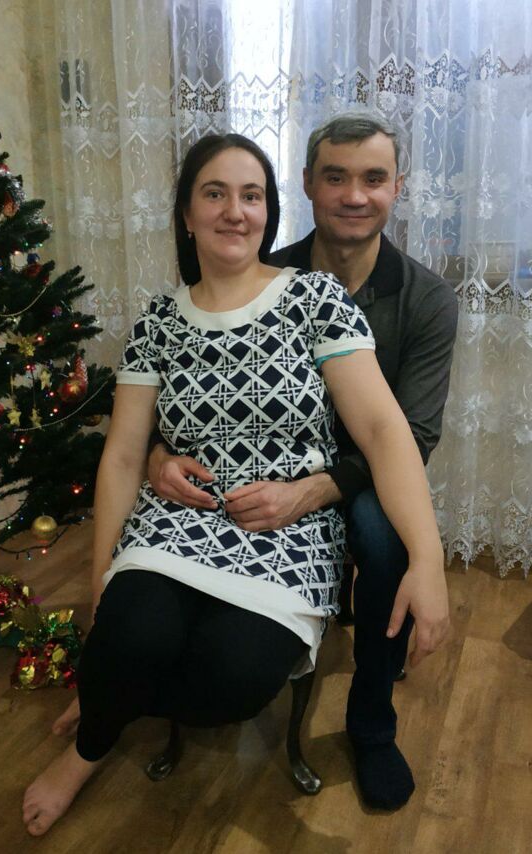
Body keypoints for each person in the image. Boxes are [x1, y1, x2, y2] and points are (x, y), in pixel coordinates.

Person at [23, 131, 448, 836]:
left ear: (269, 212)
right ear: (187, 214)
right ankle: (90, 744)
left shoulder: (315, 299)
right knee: (127, 636)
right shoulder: (158, 321)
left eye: (251, 195)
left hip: (287, 531)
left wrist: (427, 560)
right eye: (214, 193)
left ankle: (109, 698)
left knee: (232, 680)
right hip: (176, 522)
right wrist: (101, 580)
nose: (234, 211)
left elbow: (384, 431)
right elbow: (124, 456)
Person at [146, 113, 458, 811]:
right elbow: (185, 385)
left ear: (398, 187)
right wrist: (159, 453)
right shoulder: (262, 270)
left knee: (385, 541)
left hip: (369, 472)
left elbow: (410, 435)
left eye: (373, 178)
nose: (355, 195)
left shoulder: (428, 299)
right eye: (336, 177)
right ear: (309, 184)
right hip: (264, 468)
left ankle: (371, 725)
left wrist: (318, 490)